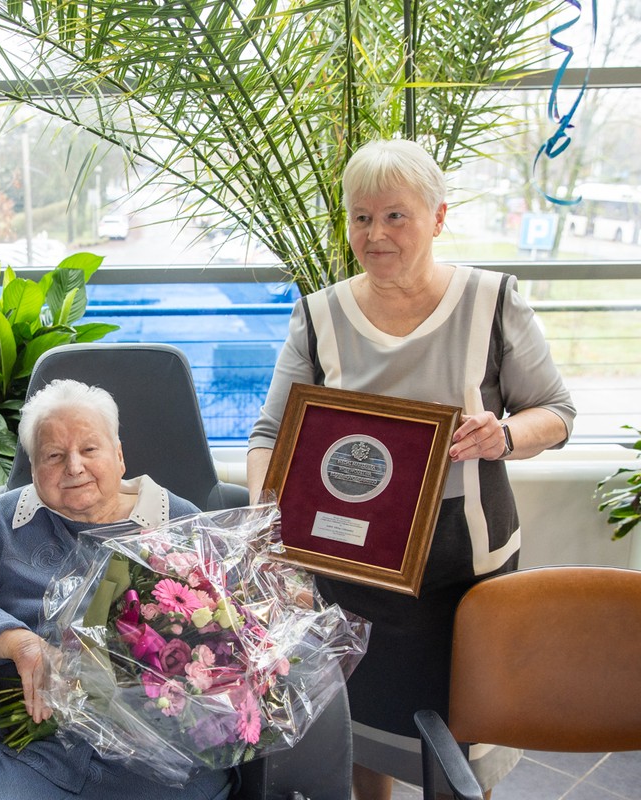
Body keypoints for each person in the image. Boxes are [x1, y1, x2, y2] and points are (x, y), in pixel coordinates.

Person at [246, 138, 575, 800]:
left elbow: (558, 413)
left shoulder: (493, 302)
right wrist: (268, 520)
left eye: (395, 215)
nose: (375, 234)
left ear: (438, 217)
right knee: (364, 727)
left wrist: (505, 434)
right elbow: (270, 432)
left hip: (467, 570)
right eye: (361, 217)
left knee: (465, 745)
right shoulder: (319, 315)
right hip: (354, 569)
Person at [0, 379, 231, 799]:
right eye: (54, 456)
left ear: (119, 455)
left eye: (89, 450)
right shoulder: (3, 521)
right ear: (33, 465)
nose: (74, 467)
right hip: (40, 751)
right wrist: (18, 642)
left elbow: (230, 625)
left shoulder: (178, 522)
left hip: (164, 754)